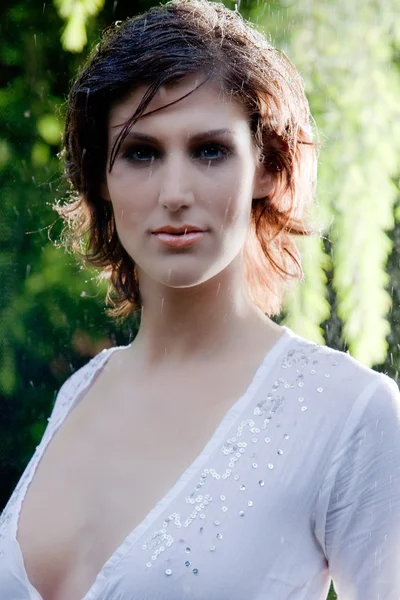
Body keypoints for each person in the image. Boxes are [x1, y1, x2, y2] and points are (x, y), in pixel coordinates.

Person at [1, 0, 399, 598]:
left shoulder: (350, 412)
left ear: (267, 166)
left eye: (210, 150)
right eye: (141, 152)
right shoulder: (78, 394)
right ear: (102, 180)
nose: (176, 192)